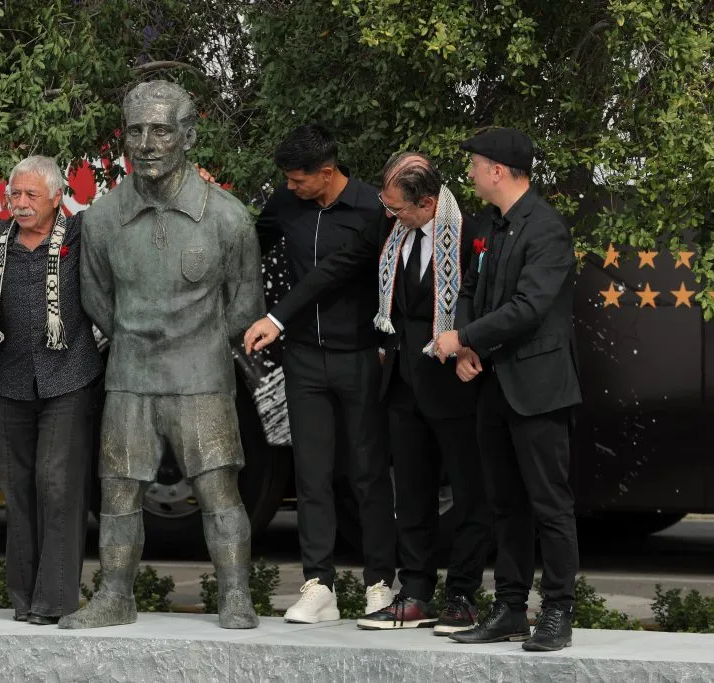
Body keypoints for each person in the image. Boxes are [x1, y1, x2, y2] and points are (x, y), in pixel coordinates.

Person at [245, 153, 493, 634]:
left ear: (426, 203)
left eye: (398, 208)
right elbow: (332, 269)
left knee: (469, 493)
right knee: (415, 496)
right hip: (402, 380)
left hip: (454, 382)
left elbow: (485, 293)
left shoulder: (469, 231)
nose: (389, 214)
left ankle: (461, 596)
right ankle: (416, 593)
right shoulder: (389, 228)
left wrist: (469, 339)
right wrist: (278, 318)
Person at [60, 80, 264, 630]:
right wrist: (140, 336)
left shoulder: (227, 218)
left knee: (219, 491)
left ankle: (235, 596)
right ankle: (114, 597)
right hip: (130, 376)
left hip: (202, 378)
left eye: (161, 130)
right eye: (135, 130)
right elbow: (99, 301)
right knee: (119, 492)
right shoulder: (101, 221)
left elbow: (244, 306)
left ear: (188, 137)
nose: (146, 143)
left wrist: (192, 340)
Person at [433, 127, 582, 652]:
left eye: (475, 164)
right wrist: (470, 350)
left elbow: (529, 307)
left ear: (498, 170)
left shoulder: (546, 229)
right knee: (506, 505)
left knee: (549, 504)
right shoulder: (491, 226)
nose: (470, 173)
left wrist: (464, 337)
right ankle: (511, 609)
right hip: (495, 385)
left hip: (538, 388)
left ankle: (559, 611)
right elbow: (472, 289)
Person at [247, 124, 397, 624]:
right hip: (304, 359)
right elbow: (245, 244)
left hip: (360, 356)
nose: (290, 188)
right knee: (311, 475)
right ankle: (319, 586)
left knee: (367, 473)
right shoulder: (286, 204)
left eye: (298, 180)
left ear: (327, 173)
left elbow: (336, 274)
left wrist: (275, 317)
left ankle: (380, 583)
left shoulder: (373, 211)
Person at [0, 156, 103, 625]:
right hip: (12, 379)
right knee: (18, 488)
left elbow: (126, 211)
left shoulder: (80, 233)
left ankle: (56, 600)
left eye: (31, 195)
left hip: (69, 375)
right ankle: (23, 600)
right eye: (14, 195)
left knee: (57, 485)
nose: (21, 204)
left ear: (56, 197)